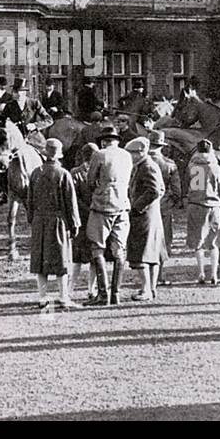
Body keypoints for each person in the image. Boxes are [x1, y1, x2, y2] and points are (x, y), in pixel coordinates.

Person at [26, 139, 80, 311]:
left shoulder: (35, 173)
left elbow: (29, 201)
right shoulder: (63, 174)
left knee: (40, 260)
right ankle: (63, 297)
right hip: (58, 221)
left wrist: (32, 220)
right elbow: (71, 203)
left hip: (39, 221)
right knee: (61, 259)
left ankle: (43, 298)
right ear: (59, 156)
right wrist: (74, 224)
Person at [83, 124, 132, 307]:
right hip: (122, 204)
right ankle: (116, 293)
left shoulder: (99, 155)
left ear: (103, 142)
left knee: (97, 247)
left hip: (102, 204)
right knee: (120, 249)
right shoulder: (126, 155)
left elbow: (89, 180)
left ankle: (103, 294)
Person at [124, 137, 165, 302]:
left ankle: (146, 289)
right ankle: (151, 289)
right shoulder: (145, 165)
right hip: (151, 214)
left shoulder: (147, 167)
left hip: (144, 216)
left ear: (140, 152)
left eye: (131, 153)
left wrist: (136, 207)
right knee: (151, 254)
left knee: (142, 253)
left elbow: (154, 191)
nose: (129, 156)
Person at [186, 139, 220, 286]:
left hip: (196, 205)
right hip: (214, 205)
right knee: (214, 242)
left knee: (198, 242)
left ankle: (201, 272)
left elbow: (192, 186)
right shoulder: (216, 167)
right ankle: (214, 274)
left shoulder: (193, 166)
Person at [151, 132, 182, 286]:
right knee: (164, 241)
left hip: (144, 207)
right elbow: (177, 191)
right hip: (164, 207)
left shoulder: (139, 161)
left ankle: (146, 276)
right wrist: (171, 203)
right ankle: (159, 275)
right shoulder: (169, 164)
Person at [69, 144, 100, 298]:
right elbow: (74, 198)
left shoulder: (75, 172)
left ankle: (82, 289)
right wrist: (91, 209)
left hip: (87, 218)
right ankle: (84, 289)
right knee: (83, 258)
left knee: (86, 258)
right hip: (87, 218)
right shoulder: (77, 173)